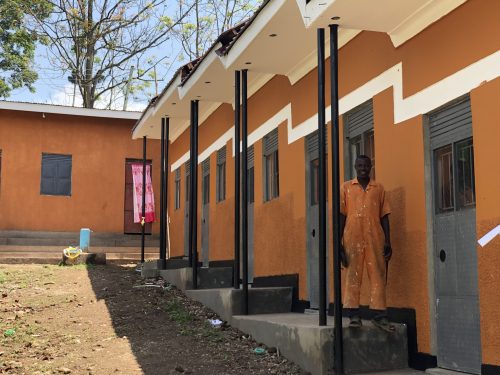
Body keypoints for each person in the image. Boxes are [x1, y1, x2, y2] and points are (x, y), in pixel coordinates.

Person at [340, 155, 394, 332]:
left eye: (366, 165)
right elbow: (341, 215)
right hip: (352, 238)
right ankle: (354, 315)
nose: (363, 168)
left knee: (378, 274)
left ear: (371, 167)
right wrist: (339, 243)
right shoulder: (346, 187)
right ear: (355, 167)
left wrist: (388, 240)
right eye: (360, 165)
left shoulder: (378, 188)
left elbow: (384, 215)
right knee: (352, 276)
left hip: (375, 238)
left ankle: (379, 315)